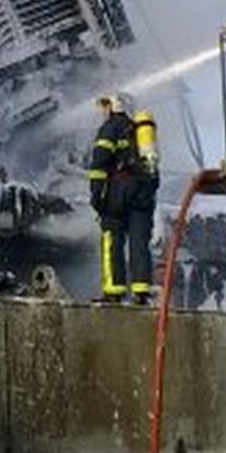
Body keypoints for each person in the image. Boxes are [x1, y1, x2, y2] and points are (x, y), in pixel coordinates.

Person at [87, 92, 139, 303]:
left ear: (115, 106)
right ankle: (140, 292)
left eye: (106, 106)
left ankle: (113, 291)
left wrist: (96, 193)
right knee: (136, 240)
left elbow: (99, 163)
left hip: (116, 189)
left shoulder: (109, 128)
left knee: (111, 238)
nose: (103, 111)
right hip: (137, 191)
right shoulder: (136, 129)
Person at [126, 107, 160, 303]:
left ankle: (136, 290)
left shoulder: (134, 143)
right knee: (140, 244)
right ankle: (141, 290)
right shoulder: (149, 150)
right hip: (145, 201)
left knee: (132, 243)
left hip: (137, 201)